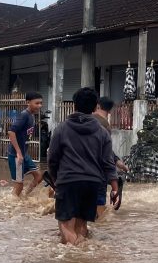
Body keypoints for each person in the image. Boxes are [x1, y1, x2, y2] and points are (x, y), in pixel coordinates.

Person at [47, 87, 118, 246]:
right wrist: (114, 188)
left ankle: (74, 259)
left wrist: (55, 180)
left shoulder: (61, 129)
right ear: (95, 107)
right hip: (92, 183)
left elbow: (52, 159)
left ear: (74, 106)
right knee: (82, 226)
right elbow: (108, 162)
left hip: (68, 181)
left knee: (65, 225)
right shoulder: (102, 132)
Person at [92, 96, 129, 218]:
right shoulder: (104, 126)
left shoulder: (83, 121)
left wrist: (117, 161)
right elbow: (105, 153)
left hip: (77, 172)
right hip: (97, 172)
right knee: (99, 210)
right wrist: (114, 187)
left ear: (98, 106)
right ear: (110, 110)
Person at [8, 92, 44, 196]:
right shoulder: (24, 115)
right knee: (19, 185)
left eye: (41, 103)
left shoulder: (32, 116)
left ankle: (25, 196)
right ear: (28, 102)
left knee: (38, 176)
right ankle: (12, 204)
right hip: (16, 155)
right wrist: (19, 153)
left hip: (24, 154)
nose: (40, 106)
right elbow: (11, 132)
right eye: (37, 103)